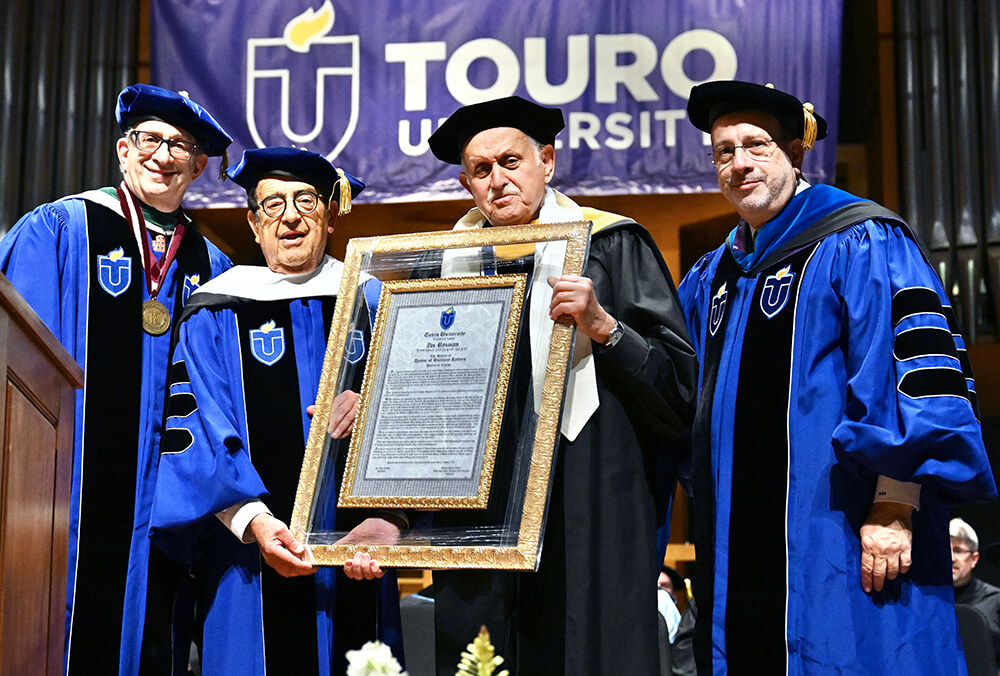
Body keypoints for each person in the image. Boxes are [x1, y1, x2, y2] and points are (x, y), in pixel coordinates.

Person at [346, 95, 698, 675]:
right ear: (466, 183)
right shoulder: (444, 266)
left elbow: (679, 394)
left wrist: (606, 328)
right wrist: (379, 406)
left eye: (511, 161)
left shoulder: (610, 246)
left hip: (590, 503)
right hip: (477, 517)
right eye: (481, 171)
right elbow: (427, 404)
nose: (498, 180)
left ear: (548, 162)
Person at [678, 80, 997, 674]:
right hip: (733, 546)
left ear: (796, 153)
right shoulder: (710, 276)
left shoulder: (861, 239)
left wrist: (897, 502)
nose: (739, 163)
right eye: (724, 151)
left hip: (846, 531)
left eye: (757, 145)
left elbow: (915, 370)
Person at [0, 83, 232, 675]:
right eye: (151, 139)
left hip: (168, 514)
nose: (165, 154)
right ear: (124, 151)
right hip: (61, 501)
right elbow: (17, 370)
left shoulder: (214, 268)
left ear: (199, 167)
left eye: (181, 145)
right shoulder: (61, 228)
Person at [148, 147, 402, 675]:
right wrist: (256, 522)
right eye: (272, 205)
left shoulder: (379, 303)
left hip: (359, 554)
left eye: (306, 201)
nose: (289, 217)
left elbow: (428, 417)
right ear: (252, 222)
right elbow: (195, 425)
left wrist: (389, 513)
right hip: (247, 556)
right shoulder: (214, 310)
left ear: (331, 214)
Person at [952, 518, 1000, 671]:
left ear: (974, 559)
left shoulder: (995, 600)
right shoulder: (926, 602)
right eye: (945, 551)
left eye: (958, 550)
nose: (951, 558)